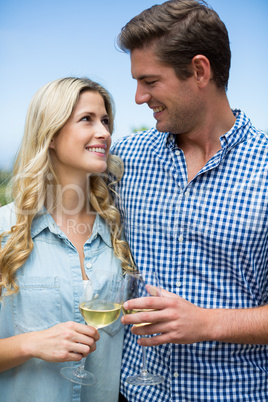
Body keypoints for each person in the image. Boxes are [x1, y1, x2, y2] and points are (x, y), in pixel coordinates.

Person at [111, 1, 268, 401]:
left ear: (199, 71)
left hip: (232, 394)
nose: (138, 97)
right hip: (133, 392)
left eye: (150, 81)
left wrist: (206, 323)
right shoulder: (126, 158)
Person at [0, 77, 134, 402]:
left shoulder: (118, 233)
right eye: (86, 119)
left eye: (105, 121)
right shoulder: (5, 229)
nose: (103, 132)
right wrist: (30, 344)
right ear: (51, 136)